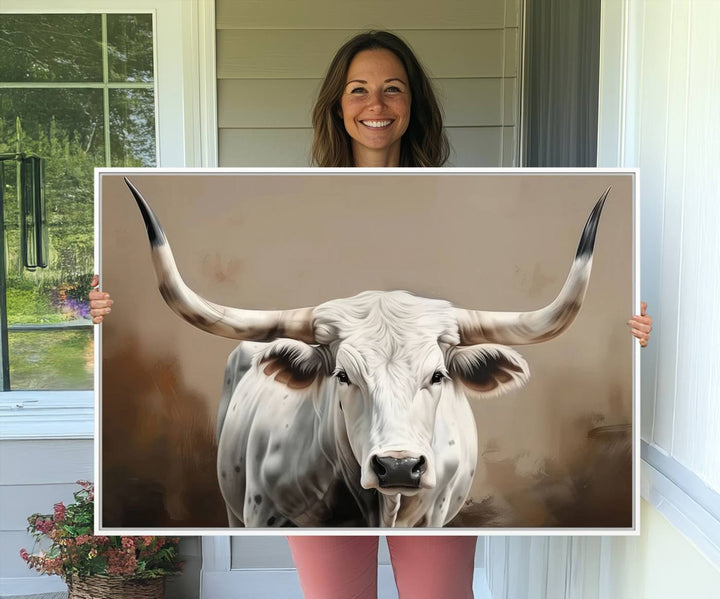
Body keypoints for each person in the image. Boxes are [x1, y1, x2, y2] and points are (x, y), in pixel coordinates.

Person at [89, 30, 652, 599]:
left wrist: (623, 328)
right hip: (322, 430)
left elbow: (527, 307)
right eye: (358, 90)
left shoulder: (467, 201)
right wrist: (112, 307)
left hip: (426, 426)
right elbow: (247, 306)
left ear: (413, 106)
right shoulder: (292, 202)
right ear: (338, 105)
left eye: (393, 90)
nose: (375, 105)